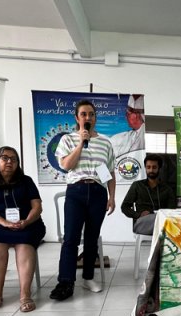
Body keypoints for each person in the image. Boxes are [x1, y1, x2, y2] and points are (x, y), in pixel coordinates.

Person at [50, 100, 116, 301]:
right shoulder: (68, 139)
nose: (88, 117)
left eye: (91, 114)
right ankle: (66, 281)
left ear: (95, 117)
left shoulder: (105, 142)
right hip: (76, 191)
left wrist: (112, 197)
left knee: (91, 238)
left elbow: (109, 172)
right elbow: (67, 165)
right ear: (77, 118)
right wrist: (81, 142)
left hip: (97, 192)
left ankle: (88, 278)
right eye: (84, 114)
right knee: (71, 238)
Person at [0, 146, 46, 312]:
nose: (9, 162)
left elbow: (37, 206)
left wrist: (26, 221)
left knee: (25, 243)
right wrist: (3, 222)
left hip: (27, 222)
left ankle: (25, 294)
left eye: (14, 159)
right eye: (5, 158)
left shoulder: (26, 181)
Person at [121, 154, 176, 235]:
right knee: (164, 223)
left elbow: (172, 210)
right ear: (145, 168)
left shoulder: (167, 189)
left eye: (154, 167)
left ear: (159, 168)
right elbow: (124, 207)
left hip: (162, 221)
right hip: (143, 223)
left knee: (167, 221)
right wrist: (138, 215)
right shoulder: (137, 185)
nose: (151, 170)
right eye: (148, 167)